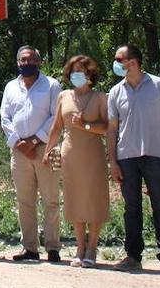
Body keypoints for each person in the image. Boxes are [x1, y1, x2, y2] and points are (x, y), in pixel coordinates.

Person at [106, 44, 160, 273]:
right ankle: (133, 256)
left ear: (133, 62)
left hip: (155, 154)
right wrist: (112, 161)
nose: (116, 64)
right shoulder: (115, 92)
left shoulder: (159, 84)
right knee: (131, 208)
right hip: (126, 157)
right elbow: (111, 129)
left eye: (119, 59)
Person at [41, 55, 109, 268]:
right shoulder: (63, 96)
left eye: (81, 71)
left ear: (90, 74)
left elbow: (107, 127)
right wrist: (48, 150)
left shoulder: (100, 97)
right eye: (73, 71)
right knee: (74, 199)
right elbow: (56, 126)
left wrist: (85, 125)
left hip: (93, 154)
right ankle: (80, 248)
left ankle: (92, 248)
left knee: (94, 199)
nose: (76, 75)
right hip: (70, 154)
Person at [0, 45, 62, 262]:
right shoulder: (10, 87)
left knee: (51, 199)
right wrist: (18, 142)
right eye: (23, 60)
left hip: (48, 148)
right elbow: (5, 117)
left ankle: (53, 247)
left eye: (31, 60)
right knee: (24, 201)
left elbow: (56, 116)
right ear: (18, 63)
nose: (27, 64)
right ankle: (30, 248)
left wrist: (34, 140)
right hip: (19, 152)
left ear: (39, 62)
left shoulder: (52, 85)